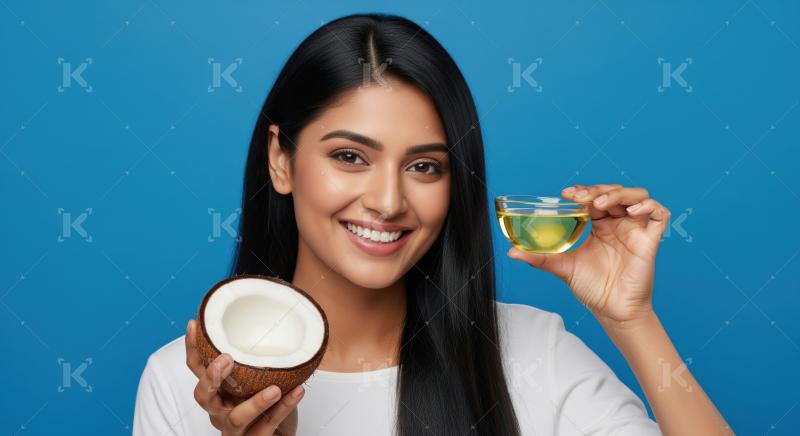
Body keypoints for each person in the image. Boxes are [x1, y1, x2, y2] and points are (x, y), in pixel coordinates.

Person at [133, 13, 731, 436]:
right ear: (281, 161)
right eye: (350, 156)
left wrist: (631, 319)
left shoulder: (533, 354)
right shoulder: (182, 385)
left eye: (424, 166)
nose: (388, 201)